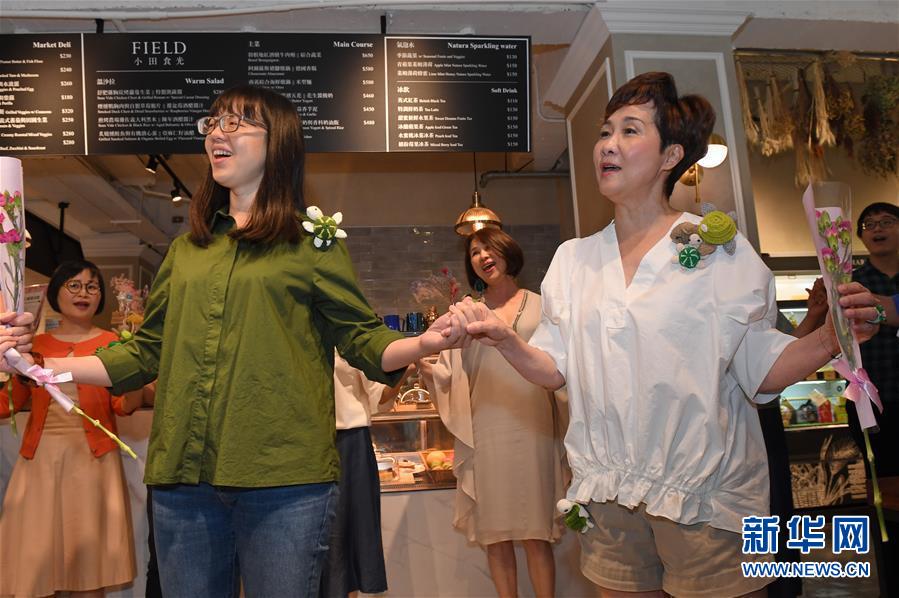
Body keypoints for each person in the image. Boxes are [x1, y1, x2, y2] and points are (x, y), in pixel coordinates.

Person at [0, 85, 462, 597]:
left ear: (277, 142)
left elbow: (363, 339)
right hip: (183, 479)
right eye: (213, 122)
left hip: (284, 480)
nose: (217, 132)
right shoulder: (187, 251)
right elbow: (143, 352)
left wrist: (425, 342)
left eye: (237, 122)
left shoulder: (312, 245)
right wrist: (38, 365)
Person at [447, 72, 881, 598]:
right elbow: (554, 367)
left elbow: (761, 367)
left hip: (706, 498)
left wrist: (832, 337)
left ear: (671, 155)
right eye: (604, 132)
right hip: (607, 496)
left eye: (629, 131)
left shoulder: (719, 253)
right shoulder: (573, 260)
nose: (608, 144)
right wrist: (506, 339)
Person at [419, 228, 567, 598]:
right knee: (495, 535)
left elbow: (564, 366)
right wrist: (427, 368)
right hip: (485, 430)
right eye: (474, 252)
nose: (483, 256)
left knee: (536, 534)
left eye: (489, 248)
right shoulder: (467, 312)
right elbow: (450, 371)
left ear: (507, 252)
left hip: (535, 427)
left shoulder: (543, 305)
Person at [0, 260, 147, 597]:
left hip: (94, 466)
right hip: (39, 464)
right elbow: (11, 402)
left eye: (92, 286)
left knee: (88, 570)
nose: (84, 293)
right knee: (34, 565)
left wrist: (138, 375)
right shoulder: (33, 346)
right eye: (74, 285)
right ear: (56, 292)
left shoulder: (115, 343)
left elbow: (122, 405)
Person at [319, 352, 410, 598]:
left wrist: (406, 369)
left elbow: (378, 395)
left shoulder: (348, 335)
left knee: (349, 544)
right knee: (312, 547)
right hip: (302, 442)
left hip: (349, 441)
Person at [850, 201, 898, 595]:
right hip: (874, 406)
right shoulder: (851, 281)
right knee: (884, 498)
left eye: (887, 221)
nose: (877, 229)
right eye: (868, 224)